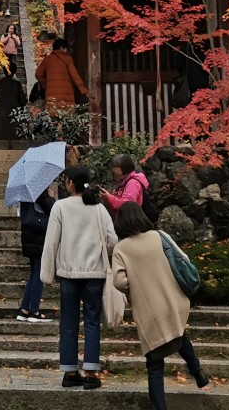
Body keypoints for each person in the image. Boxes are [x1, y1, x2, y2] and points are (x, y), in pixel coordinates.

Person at [111, 202, 209, 408]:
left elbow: (119, 282)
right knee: (178, 333)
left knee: (154, 364)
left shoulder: (121, 249)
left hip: (149, 310)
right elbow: (183, 258)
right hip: (174, 301)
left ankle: (159, 407)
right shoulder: (160, 235)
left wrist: (134, 284)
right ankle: (198, 372)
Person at [41, 164, 118, 389]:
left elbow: (51, 242)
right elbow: (112, 240)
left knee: (68, 322)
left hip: (68, 273)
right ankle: (92, 373)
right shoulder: (98, 209)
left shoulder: (60, 207)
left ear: (70, 183)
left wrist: (47, 273)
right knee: (92, 322)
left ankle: (70, 371)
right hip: (94, 273)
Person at [17, 185, 56, 322]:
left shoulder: (25, 188)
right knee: (39, 273)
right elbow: (52, 209)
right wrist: (51, 198)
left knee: (34, 272)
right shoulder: (40, 189)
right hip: (39, 235)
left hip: (29, 233)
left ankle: (24, 309)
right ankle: (34, 311)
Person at [36, 31, 89, 110]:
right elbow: (75, 75)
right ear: (61, 48)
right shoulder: (68, 59)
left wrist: (46, 84)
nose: (66, 51)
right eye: (66, 48)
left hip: (51, 93)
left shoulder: (47, 59)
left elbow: (38, 74)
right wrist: (83, 89)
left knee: (54, 115)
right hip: (66, 94)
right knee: (66, 115)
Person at [0, 71, 26, 141]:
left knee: (0, 139)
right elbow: (22, 100)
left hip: (0, 115)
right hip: (13, 114)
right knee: (14, 139)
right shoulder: (16, 83)